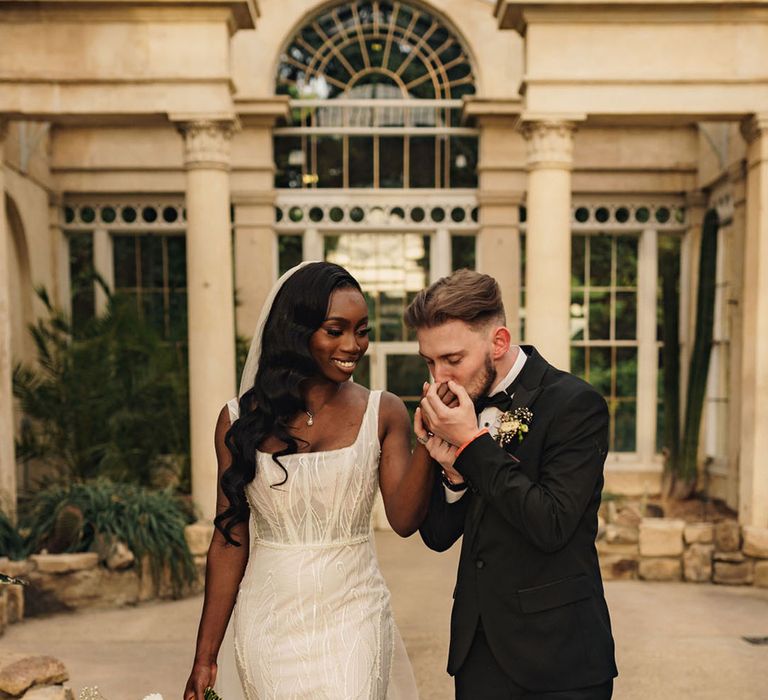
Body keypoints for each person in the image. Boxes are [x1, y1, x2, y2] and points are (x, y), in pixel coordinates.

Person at [183, 261, 433, 700]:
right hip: (269, 620)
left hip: (355, 611)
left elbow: (405, 520)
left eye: (362, 330)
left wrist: (429, 442)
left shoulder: (385, 410)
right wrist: (205, 656)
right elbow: (228, 539)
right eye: (335, 330)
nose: (353, 345)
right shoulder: (239, 420)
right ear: (298, 332)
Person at [407, 269, 617, 699]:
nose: (440, 377)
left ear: (498, 342)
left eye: (452, 359)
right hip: (478, 655)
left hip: (560, 661)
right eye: (429, 362)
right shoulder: (457, 407)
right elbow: (439, 535)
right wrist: (452, 474)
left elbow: (551, 523)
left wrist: (470, 443)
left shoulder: (575, 405)